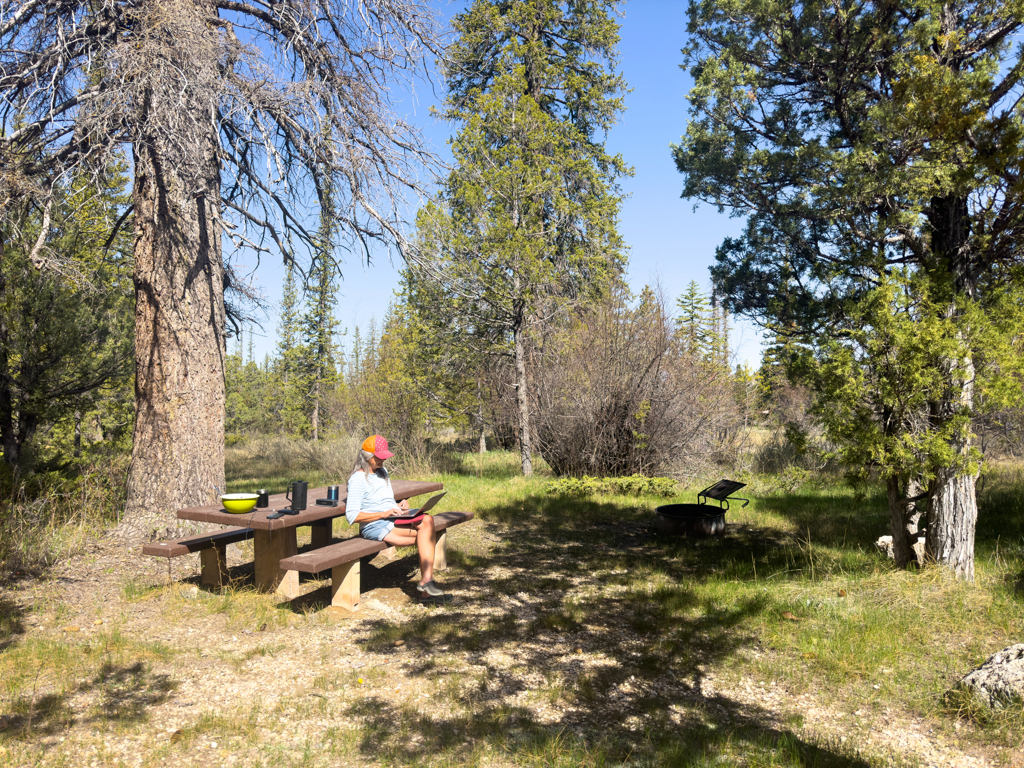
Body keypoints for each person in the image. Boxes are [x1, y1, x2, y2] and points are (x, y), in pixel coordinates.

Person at [345, 435, 451, 603]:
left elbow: (382, 500)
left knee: (428, 521)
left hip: (393, 518)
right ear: (367, 456)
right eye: (379, 457)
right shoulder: (357, 479)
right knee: (427, 535)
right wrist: (383, 514)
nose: (382, 460)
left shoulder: (383, 472)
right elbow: (351, 516)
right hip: (374, 524)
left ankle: (426, 583)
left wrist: (398, 505)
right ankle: (427, 588)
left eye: (384, 457)